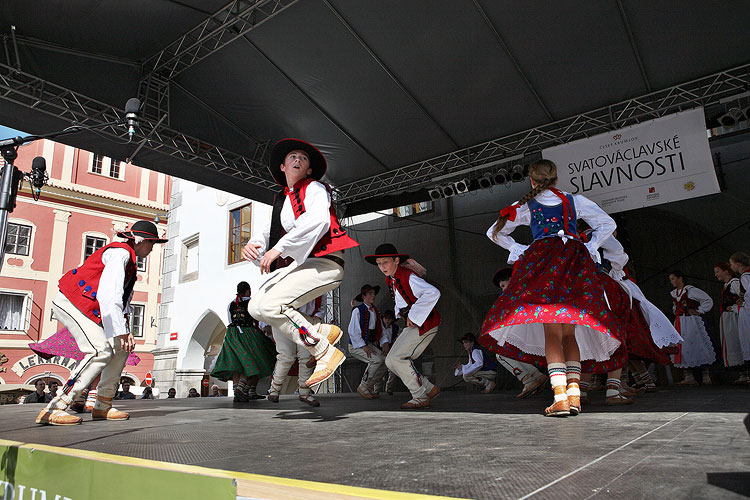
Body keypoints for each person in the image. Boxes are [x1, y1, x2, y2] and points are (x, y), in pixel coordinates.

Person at [480, 159, 626, 417]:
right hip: (573, 264)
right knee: (569, 333)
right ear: (556, 179)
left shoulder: (524, 204)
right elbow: (608, 225)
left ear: (532, 180)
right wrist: (590, 246)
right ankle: (574, 396)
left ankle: (560, 397)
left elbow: (494, 232)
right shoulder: (574, 200)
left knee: (552, 333)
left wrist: (519, 249)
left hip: (543, 266)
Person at [242, 139, 358, 390]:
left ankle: (324, 350)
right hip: (304, 265)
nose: (297, 160)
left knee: (272, 306)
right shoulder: (282, 203)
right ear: (283, 167)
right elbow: (265, 237)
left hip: (326, 262)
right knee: (256, 307)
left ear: (308, 171)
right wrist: (252, 248)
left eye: (303, 159)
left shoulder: (315, 188)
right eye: (292, 157)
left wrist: (278, 248)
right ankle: (320, 329)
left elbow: (318, 221)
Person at [36, 220, 167, 426]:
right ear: (143, 241)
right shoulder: (120, 253)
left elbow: (121, 299)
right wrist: (121, 330)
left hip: (87, 306)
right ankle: (56, 406)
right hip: (71, 303)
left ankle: (103, 404)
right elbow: (109, 295)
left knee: (122, 348)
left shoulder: (129, 258)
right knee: (99, 351)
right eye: (152, 243)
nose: (152, 248)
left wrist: (124, 331)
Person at [365, 243, 441, 409]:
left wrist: (413, 315)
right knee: (391, 361)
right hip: (414, 325)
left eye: (385, 262)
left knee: (396, 359)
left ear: (397, 260)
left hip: (425, 324)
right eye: (379, 264)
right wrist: (403, 314)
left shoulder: (408, 276)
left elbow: (433, 293)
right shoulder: (391, 278)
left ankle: (420, 396)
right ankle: (429, 388)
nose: (381, 267)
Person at [211, 281, 276, 402]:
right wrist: (265, 328)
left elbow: (230, 320)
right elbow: (258, 317)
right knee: (253, 361)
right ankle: (241, 390)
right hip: (248, 333)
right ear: (248, 290)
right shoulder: (252, 302)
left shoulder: (231, 304)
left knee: (237, 364)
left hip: (232, 334)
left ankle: (240, 392)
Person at [491, 267, 548, 398]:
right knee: (511, 352)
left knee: (501, 354)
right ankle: (536, 376)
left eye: (503, 285)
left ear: (511, 280)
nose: (503, 289)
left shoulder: (517, 294)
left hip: (534, 331)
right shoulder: (526, 289)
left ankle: (528, 380)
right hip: (537, 332)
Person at [268, 296, 327, 407]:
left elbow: (321, 308)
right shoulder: (288, 281)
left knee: (306, 356)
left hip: (306, 322)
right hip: (283, 318)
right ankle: (274, 389)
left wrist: (316, 320)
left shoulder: (321, 288)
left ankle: (304, 392)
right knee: (286, 355)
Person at [669, 270, 716, 385]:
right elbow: (676, 307)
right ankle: (689, 376)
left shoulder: (691, 290)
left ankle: (706, 375)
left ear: (680, 278)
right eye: (671, 280)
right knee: (683, 347)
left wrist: (699, 311)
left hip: (692, 322)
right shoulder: (675, 293)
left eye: (673, 279)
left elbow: (707, 300)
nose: (672, 282)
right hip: (681, 323)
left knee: (698, 344)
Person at [348, 284, 388, 400]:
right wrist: (363, 346)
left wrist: (384, 342)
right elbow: (353, 331)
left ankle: (369, 387)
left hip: (367, 344)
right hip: (355, 345)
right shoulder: (357, 310)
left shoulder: (375, 311)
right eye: (370, 293)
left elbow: (380, 329)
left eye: (373, 293)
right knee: (376, 360)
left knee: (385, 361)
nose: (373, 295)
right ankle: (363, 386)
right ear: (364, 296)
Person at [714, 262, 748, 383]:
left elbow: (743, 297)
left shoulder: (734, 283)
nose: (716, 274)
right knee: (733, 342)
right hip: (728, 318)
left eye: (718, 271)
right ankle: (742, 373)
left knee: (737, 341)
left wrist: (733, 307)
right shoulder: (727, 285)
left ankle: (745, 372)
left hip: (734, 318)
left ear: (726, 271)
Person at [729, 252, 750, 374]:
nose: (731, 267)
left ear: (738, 264)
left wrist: (743, 303)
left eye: (732, 264)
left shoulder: (745, 277)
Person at [378, 310, 400, 395]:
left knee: (393, 370)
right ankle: (377, 390)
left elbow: (401, 334)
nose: (387, 320)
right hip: (380, 351)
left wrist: (396, 340)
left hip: (391, 351)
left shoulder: (395, 328)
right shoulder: (379, 327)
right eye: (385, 318)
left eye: (389, 319)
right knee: (379, 370)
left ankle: (389, 388)